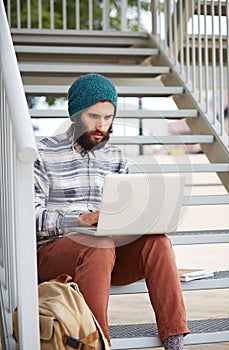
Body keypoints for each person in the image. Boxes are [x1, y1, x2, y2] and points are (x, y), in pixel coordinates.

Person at [35, 73, 190, 349]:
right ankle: (99, 343)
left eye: (108, 117)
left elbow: (123, 214)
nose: (102, 126)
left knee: (158, 242)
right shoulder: (43, 153)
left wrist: (142, 221)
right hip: (52, 254)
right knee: (98, 242)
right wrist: (80, 220)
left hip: (104, 256)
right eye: (94, 116)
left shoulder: (115, 157)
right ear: (75, 114)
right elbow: (30, 217)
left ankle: (174, 339)